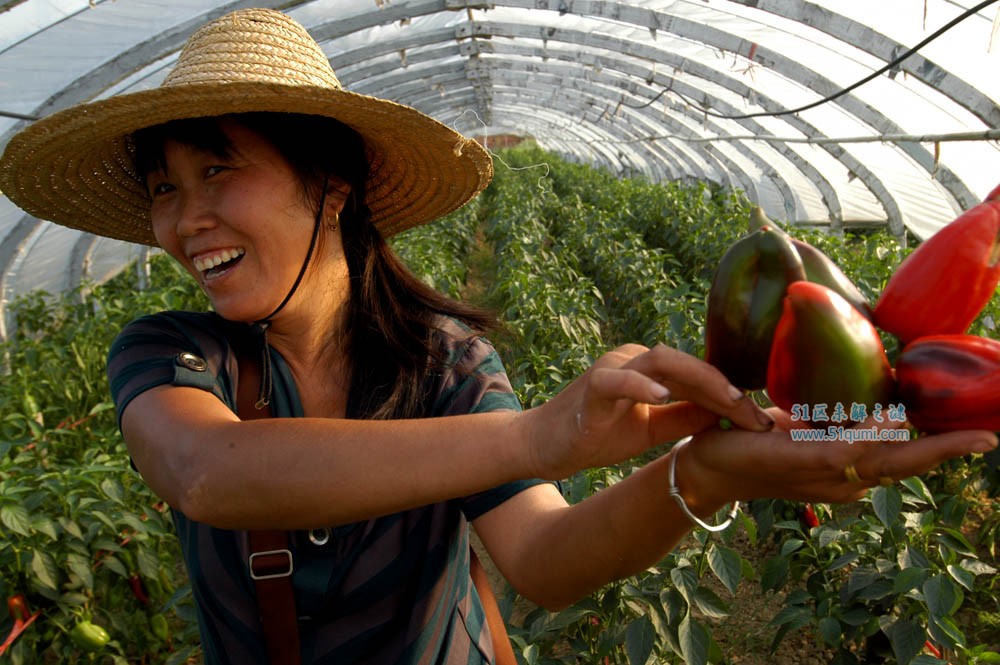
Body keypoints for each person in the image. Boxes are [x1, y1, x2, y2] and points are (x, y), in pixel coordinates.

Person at [0, 8, 994, 665]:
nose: (183, 220)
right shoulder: (172, 351)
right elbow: (210, 471)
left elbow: (545, 557)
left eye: (216, 171)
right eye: (164, 189)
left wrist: (712, 470)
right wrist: (536, 434)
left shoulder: (440, 359)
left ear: (330, 183)